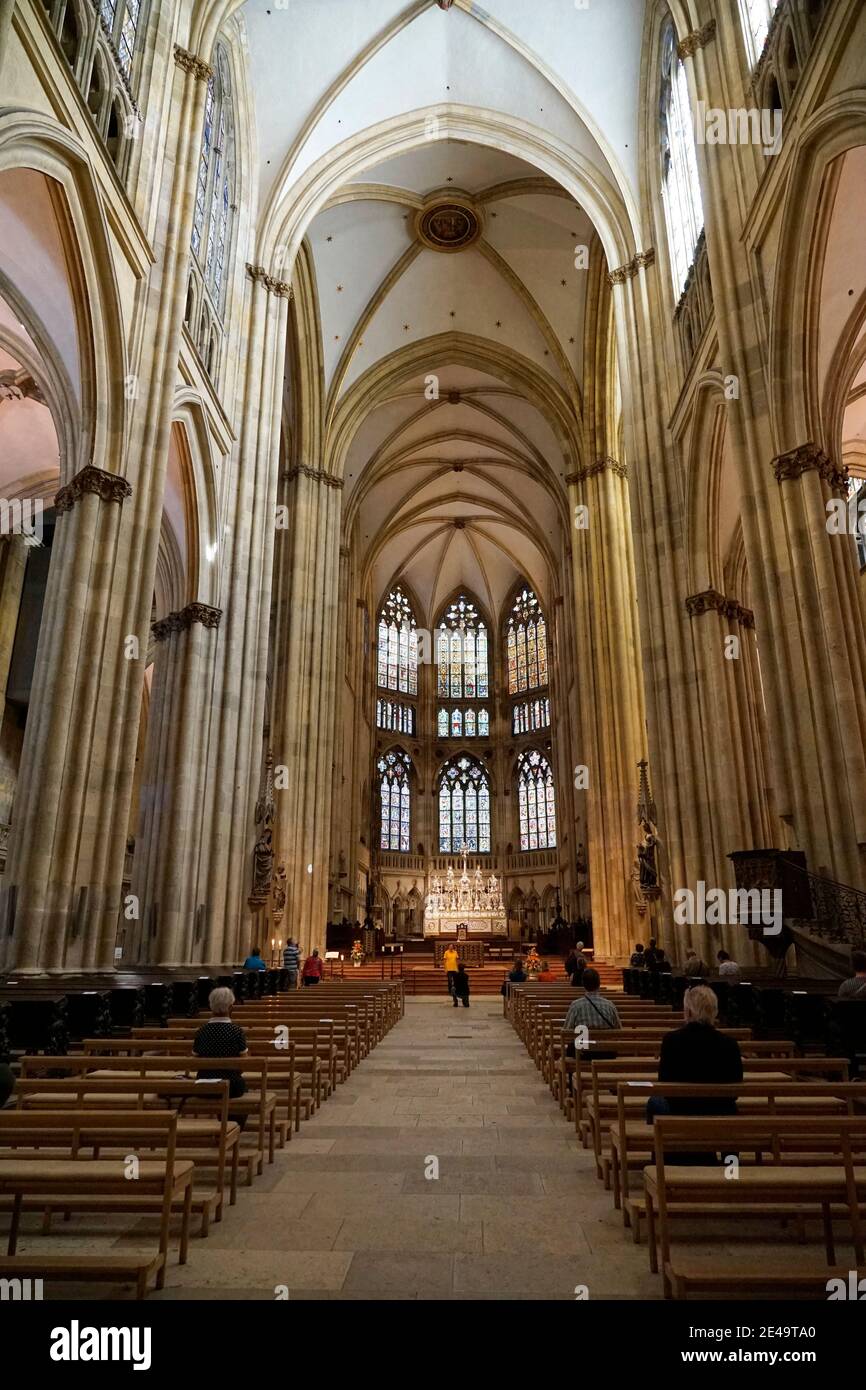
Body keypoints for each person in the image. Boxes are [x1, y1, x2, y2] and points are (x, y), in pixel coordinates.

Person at [193, 987, 248, 1098]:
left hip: (204, 1085)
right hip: (231, 1085)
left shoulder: (201, 1031)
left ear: (210, 1007)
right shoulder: (237, 1031)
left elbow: (195, 1061)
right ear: (231, 1007)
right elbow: (243, 1064)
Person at [562, 968, 621, 1033]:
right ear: (599, 984)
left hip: (583, 1043)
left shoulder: (575, 1006)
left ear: (583, 984)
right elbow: (618, 1030)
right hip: (606, 1042)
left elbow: (567, 1031)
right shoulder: (609, 1005)